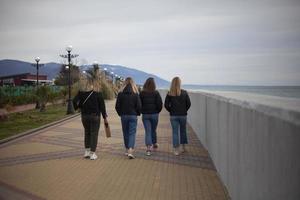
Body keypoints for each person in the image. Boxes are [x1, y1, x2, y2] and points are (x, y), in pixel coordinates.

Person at [73, 80, 108, 160]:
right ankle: (92, 153)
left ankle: (87, 152)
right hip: (95, 116)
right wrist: (104, 117)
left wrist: (78, 108)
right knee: (94, 134)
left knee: (87, 133)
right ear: (93, 86)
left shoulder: (81, 93)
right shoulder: (98, 94)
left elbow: (74, 101)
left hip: (84, 116)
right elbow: (102, 107)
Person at [115, 77, 141, 159]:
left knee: (125, 132)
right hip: (133, 116)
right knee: (132, 133)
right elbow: (139, 106)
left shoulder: (120, 94)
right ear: (133, 84)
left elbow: (117, 106)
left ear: (124, 84)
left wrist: (120, 114)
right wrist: (137, 113)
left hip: (124, 116)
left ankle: (127, 149)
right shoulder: (136, 94)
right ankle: (130, 149)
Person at [164, 77, 191, 156]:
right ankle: (183, 147)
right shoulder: (184, 92)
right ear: (180, 83)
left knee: (175, 132)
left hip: (173, 115)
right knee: (183, 131)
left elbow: (166, 105)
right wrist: (184, 110)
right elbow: (188, 104)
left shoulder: (169, 93)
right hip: (183, 115)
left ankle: (176, 150)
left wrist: (171, 110)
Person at [139, 77, 162, 156]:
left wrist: (142, 111)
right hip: (154, 114)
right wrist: (157, 111)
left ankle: (148, 148)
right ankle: (154, 143)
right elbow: (160, 104)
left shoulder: (142, 93)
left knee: (148, 131)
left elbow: (139, 104)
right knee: (153, 130)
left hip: (145, 115)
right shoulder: (156, 93)